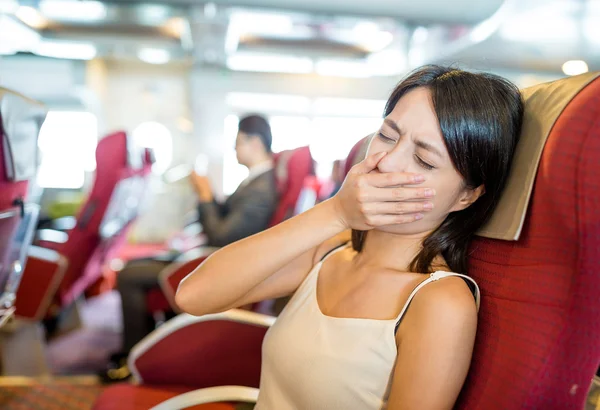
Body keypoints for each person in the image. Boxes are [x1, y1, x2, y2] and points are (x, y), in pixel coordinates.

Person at [176, 65, 523, 409]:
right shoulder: (332, 250)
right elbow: (194, 296)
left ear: (467, 195)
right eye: (387, 135)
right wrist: (335, 213)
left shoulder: (440, 303)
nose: (386, 163)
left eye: (423, 160)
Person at [101, 114, 278, 383]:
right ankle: (144, 351)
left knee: (128, 275)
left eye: (238, 142)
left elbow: (221, 236)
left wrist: (206, 195)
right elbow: (228, 223)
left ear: (255, 142)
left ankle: (132, 357)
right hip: (216, 257)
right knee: (137, 266)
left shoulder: (261, 188)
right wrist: (208, 195)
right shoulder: (254, 181)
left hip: (223, 267)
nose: (234, 148)